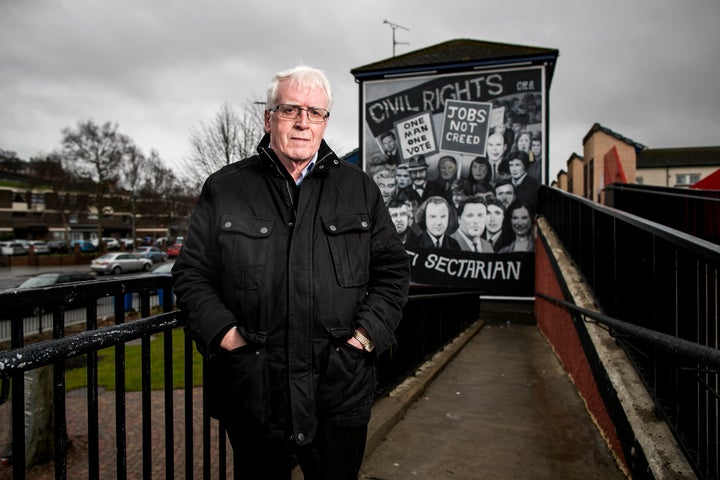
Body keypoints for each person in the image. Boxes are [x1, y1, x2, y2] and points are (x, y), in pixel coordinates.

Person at [172, 65, 411, 480]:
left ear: (325, 121)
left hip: (339, 386)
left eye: (314, 112)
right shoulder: (225, 188)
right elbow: (192, 274)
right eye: (290, 110)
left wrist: (363, 339)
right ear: (268, 118)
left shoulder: (359, 190)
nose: (303, 122)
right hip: (254, 388)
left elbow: (392, 273)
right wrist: (229, 339)